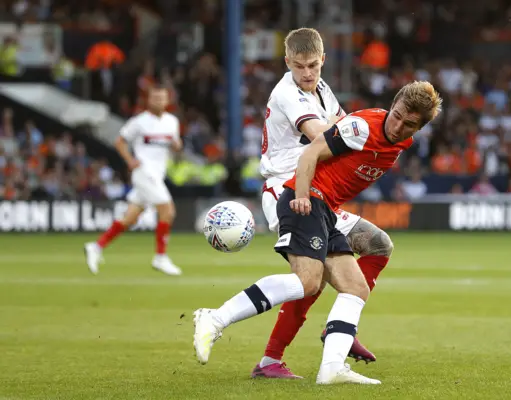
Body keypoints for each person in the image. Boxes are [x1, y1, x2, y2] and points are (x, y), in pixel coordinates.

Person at [193, 80, 442, 385]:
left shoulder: (404, 142)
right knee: (308, 281)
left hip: (327, 211)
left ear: (419, 128)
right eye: (397, 114)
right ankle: (215, 318)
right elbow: (311, 153)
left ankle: (332, 366)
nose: (398, 124)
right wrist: (300, 195)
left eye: (409, 124)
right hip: (306, 199)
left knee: (356, 285)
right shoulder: (362, 127)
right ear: (393, 104)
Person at [253, 27, 392, 380]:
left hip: (318, 192)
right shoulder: (287, 93)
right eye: (299, 66)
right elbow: (326, 137)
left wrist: (338, 125)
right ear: (288, 63)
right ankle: (271, 358)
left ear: (323, 61)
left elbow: (343, 128)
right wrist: (335, 125)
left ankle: (343, 327)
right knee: (309, 279)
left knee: (378, 245)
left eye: (313, 65)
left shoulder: (323, 90)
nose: (307, 73)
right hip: (288, 191)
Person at [83, 86, 183, 276]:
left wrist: (177, 145)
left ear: (167, 100)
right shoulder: (139, 122)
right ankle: (160, 257)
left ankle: (96, 247)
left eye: (162, 98)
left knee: (130, 218)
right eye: (155, 98)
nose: (158, 101)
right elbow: (119, 141)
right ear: (148, 100)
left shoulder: (172, 121)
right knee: (168, 210)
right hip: (144, 172)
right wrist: (130, 160)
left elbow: (175, 145)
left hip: (158, 173)